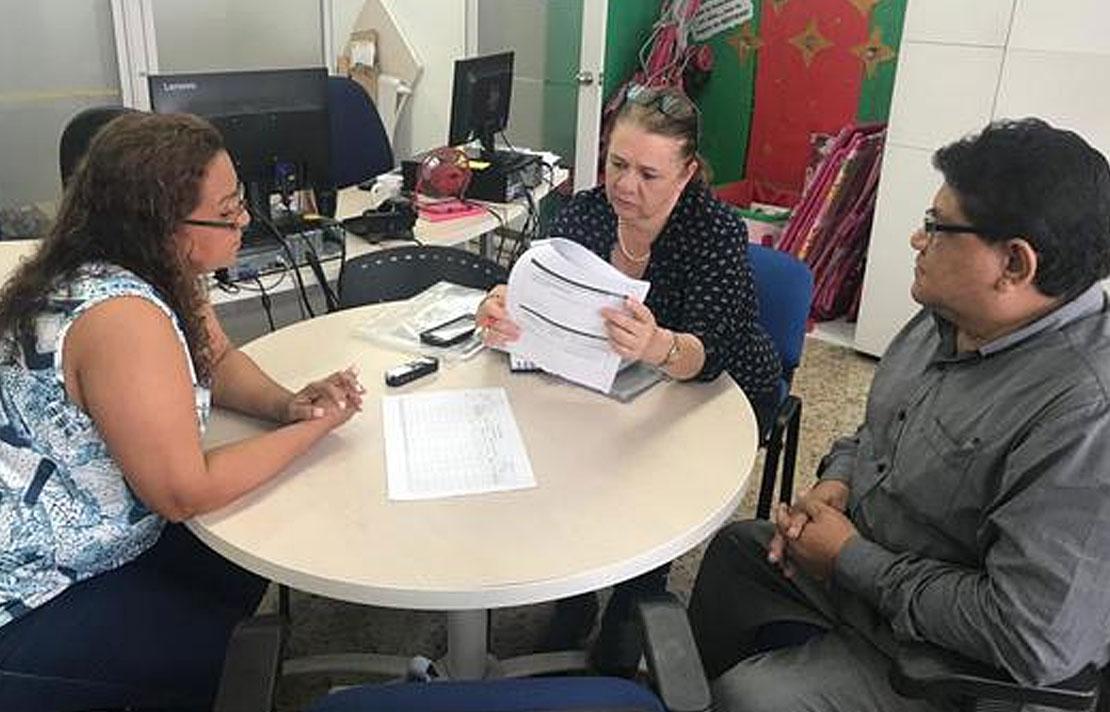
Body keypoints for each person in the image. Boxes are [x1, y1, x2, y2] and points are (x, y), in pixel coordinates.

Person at [688, 117, 1110, 711]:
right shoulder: (950, 317)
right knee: (736, 555)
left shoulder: (1086, 414)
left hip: (948, 659)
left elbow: (1030, 636)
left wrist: (850, 559)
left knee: (750, 698)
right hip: (869, 576)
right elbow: (878, 430)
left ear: (1014, 265)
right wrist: (838, 481)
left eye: (937, 227)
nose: (917, 239)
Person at [0, 112, 364, 712]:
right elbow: (182, 493)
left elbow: (214, 357)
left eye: (239, 200)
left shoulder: (148, 266)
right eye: (227, 211)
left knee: (257, 535)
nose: (244, 220)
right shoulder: (123, 320)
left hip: (105, 532)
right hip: (36, 592)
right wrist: (317, 426)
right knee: (230, 625)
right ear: (162, 225)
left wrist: (286, 404)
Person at [477, 85, 782, 674]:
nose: (624, 185)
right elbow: (535, 290)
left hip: (716, 387)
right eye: (617, 163)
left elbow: (710, 351)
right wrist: (502, 309)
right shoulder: (584, 212)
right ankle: (574, 599)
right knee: (563, 457)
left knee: (651, 485)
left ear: (686, 173)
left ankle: (633, 604)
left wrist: (657, 345)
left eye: (648, 174)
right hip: (609, 379)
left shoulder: (714, 229)